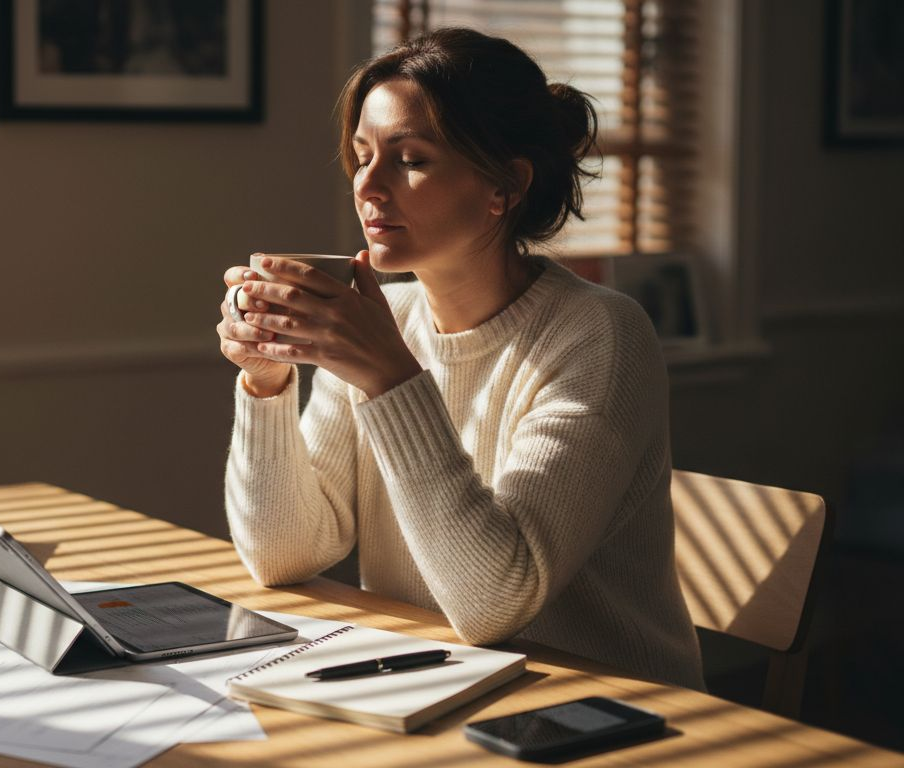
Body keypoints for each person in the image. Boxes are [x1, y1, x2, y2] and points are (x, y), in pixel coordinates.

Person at [216, 27, 704, 690]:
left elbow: (494, 602)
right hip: (434, 686)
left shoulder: (600, 336)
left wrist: (390, 378)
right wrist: (267, 380)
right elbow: (285, 554)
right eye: (362, 156)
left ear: (505, 187)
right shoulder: (387, 320)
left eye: (409, 159)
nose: (369, 185)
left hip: (602, 711)